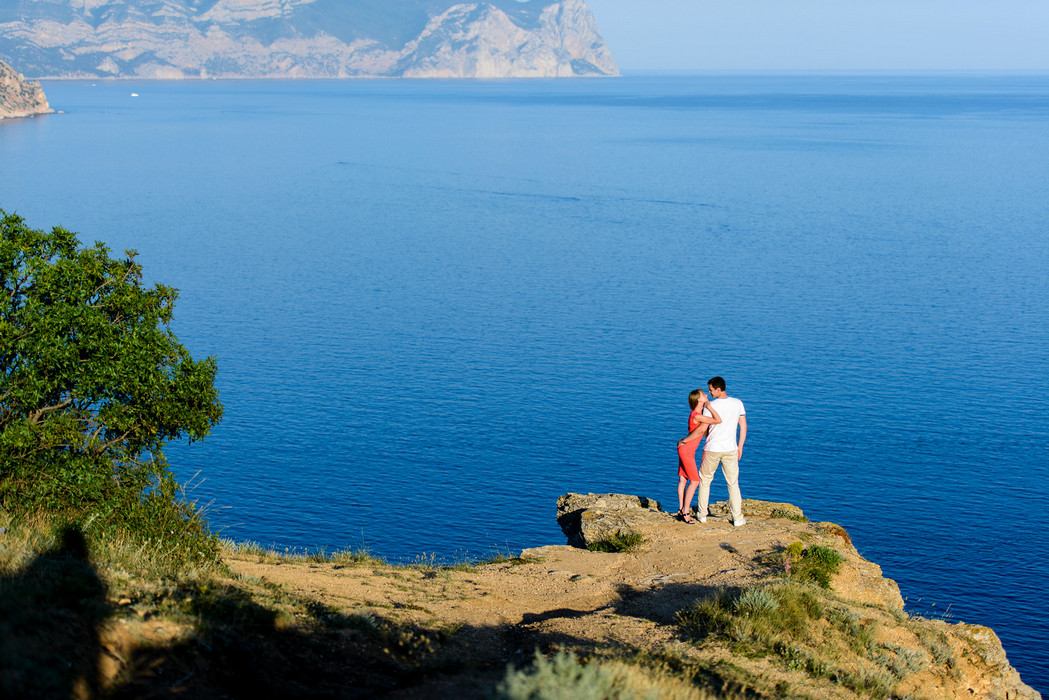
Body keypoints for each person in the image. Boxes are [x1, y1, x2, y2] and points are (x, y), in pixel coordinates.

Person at [696, 376, 747, 525]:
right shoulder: (738, 403)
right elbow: (743, 426)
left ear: (718, 389)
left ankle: (702, 514)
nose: (709, 392)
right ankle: (737, 517)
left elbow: (704, 427)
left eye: (711, 390)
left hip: (712, 448)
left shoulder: (710, 406)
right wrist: (740, 446)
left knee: (705, 481)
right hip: (730, 448)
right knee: (733, 483)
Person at [675, 389, 721, 524]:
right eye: (703, 395)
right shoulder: (698, 415)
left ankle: (680, 509)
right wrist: (710, 407)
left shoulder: (697, 414)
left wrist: (684, 441)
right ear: (699, 400)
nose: (706, 395)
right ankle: (685, 512)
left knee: (683, 480)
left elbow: (699, 430)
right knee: (695, 481)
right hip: (687, 450)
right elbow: (717, 420)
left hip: (685, 449)